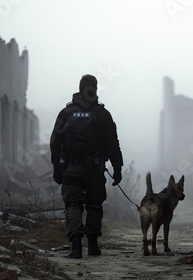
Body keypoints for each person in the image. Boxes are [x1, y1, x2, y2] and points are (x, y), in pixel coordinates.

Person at [50, 74, 123, 258]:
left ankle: (75, 247)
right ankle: (93, 246)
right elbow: (113, 144)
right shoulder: (103, 114)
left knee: (73, 205)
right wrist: (117, 169)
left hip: (71, 169)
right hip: (94, 170)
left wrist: (57, 168)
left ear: (80, 88)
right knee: (94, 206)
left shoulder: (65, 113)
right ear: (95, 89)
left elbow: (54, 142)